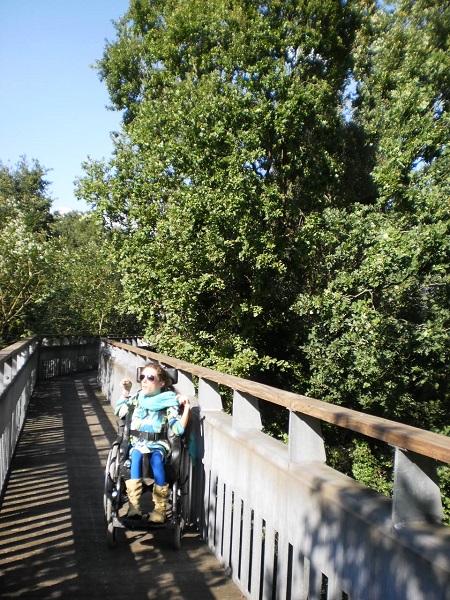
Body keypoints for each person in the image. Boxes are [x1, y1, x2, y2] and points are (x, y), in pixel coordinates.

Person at [115, 362, 190, 523]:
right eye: (142, 377)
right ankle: (134, 505)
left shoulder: (169, 403)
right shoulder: (136, 398)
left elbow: (177, 430)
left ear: (161, 383)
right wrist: (126, 391)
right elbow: (119, 410)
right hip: (137, 443)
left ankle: (159, 508)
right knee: (135, 455)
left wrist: (187, 408)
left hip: (158, 445)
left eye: (150, 377)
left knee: (156, 459)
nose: (144, 380)